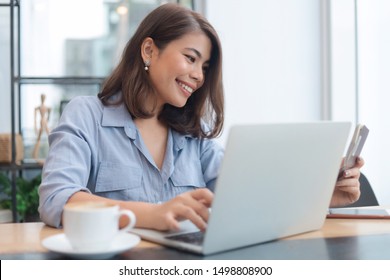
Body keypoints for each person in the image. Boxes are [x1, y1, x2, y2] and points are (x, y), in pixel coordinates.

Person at [38, 3, 364, 231]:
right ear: (149, 50)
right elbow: (58, 199)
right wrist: (152, 214)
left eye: (205, 68)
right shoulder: (88, 115)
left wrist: (323, 193)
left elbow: (248, 201)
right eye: (190, 59)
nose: (198, 76)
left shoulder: (194, 138)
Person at [32, 93, 51, 159]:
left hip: (44, 120)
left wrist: (48, 117)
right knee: (40, 137)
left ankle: (35, 154)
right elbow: (35, 111)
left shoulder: (43, 107)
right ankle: (35, 154)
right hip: (43, 120)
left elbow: (49, 110)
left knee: (48, 135)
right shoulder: (41, 107)